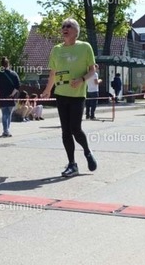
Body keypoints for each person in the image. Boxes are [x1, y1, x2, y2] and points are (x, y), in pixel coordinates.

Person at [40, 17, 97, 178]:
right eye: (63, 26)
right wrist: (47, 90)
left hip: (77, 95)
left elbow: (92, 70)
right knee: (65, 131)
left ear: (76, 31)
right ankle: (72, 164)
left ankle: (87, 151)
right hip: (61, 94)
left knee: (75, 129)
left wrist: (81, 80)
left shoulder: (85, 47)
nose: (65, 28)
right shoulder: (56, 50)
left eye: (69, 26)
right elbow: (53, 73)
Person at [0, 56, 20, 137]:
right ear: (9, 64)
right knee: (9, 114)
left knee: (4, 114)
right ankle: (6, 130)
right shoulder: (14, 74)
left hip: (2, 97)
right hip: (11, 98)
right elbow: (17, 86)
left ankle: (6, 130)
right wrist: (12, 94)